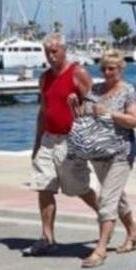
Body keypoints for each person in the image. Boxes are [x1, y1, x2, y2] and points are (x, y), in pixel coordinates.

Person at [24, 33, 99, 257]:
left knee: (79, 188)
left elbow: (95, 108)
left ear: (64, 51)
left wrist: (89, 140)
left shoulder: (78, 73)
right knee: (44, 185)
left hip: (71, 140)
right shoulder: (44, 78)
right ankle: (47, 238)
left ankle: (107, 215)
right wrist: (37, 143)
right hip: (49, 138)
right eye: (47, 52)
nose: (50, 55)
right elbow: (43, 111)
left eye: (55, 51)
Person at [72, 50, 136, 268]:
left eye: (111, 68)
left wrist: (109, 113)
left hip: (121, 152)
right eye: (103, 68)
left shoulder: (128, 91)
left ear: (120, 69)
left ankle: (100, 249)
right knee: (117, 197)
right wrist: (76, 106)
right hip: (98, 150)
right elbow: (85, 115)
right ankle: (133, 233)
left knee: (107, 200)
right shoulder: (95, 90)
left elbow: (135, 120)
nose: (106, 72)